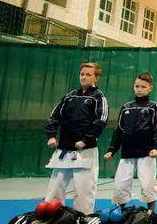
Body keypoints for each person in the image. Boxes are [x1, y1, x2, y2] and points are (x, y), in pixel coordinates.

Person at [44, 62, 109, 215]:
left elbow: (101, 121)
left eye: (88, 74)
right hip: (64, 150)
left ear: (96, 78)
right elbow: (54, 117)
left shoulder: (98, 97)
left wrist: (86, 140)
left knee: (84, 190)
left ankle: (83, 219)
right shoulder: (70, 96)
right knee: (55, 188)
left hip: (85, 151)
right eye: (82, 74)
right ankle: (52, 216)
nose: (84, 77)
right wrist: (51, 135)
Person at [104, 72, 157, 210]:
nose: (139, 89)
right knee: (121, 185)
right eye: (137, 86)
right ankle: (120, 212)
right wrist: (112, 150)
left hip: (147, 153)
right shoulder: (126, 107)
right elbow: (119, 130)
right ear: (133, 87)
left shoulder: (154, 106)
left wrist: (156, 147)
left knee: (147, 185)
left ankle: (151, 213)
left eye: (143, 87)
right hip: (127, 153)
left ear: (150, 88)